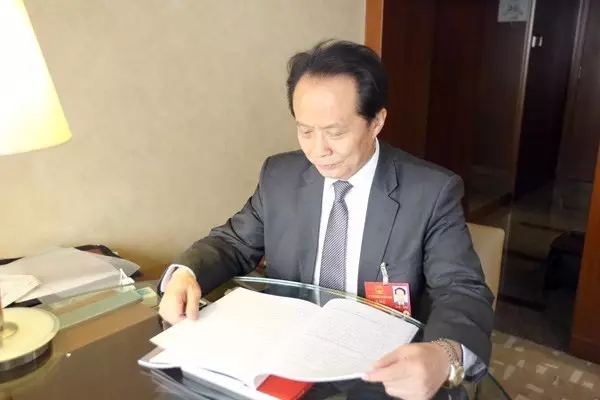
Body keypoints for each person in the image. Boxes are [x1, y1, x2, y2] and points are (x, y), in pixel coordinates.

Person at [158, 39, 494, 399]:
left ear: (376, 121)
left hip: (383, 367)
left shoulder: (430, 192)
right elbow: (232, 242)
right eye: (305, 131)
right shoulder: (280, 175)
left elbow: (460, 289)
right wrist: (186, 273)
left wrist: (444, 355)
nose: (319, 150)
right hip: (287, 353)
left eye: (335, 132)